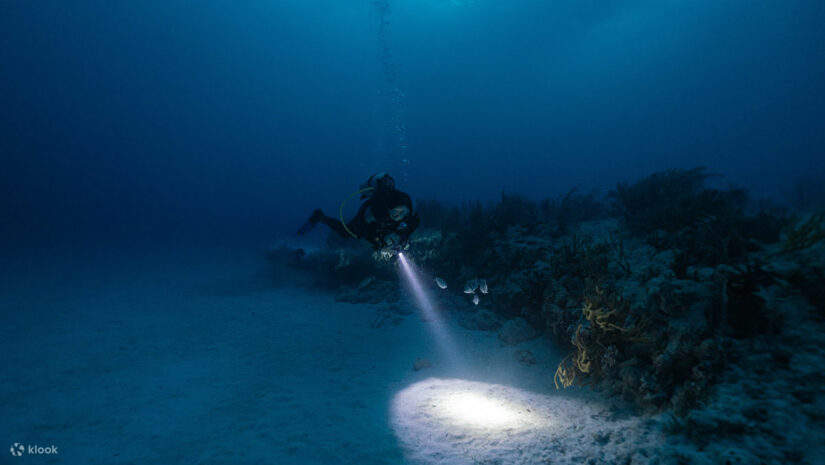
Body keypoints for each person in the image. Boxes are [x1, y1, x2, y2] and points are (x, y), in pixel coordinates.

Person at [297, 173, 420, 251]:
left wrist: (404, 235)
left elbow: (414, 220)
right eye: (396, 213)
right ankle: (320, 217)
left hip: (382, 225)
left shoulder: (403, 198)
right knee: (347, 233)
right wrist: (379, 242)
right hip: (369, 221)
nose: (399, 215)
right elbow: (368, 231)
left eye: (402, 212)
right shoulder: (374, 207)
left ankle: (321, 217)